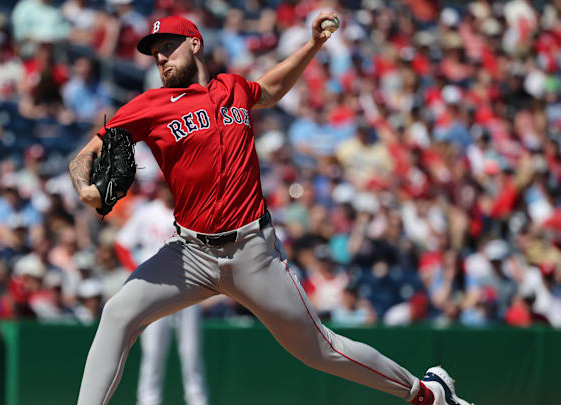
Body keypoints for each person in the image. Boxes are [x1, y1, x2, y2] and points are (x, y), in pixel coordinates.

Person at [69, 13, 473, 405]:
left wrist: (313, 44)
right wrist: (86, 188)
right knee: (118, 313)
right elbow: (85, 155)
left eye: (168, 46)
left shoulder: (233, 88)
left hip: (252, 252)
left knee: (320, 350)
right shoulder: (151, 104)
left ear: (195, 44)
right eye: (154, 51)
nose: (160, 57)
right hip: (189, 254)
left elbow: (272, 88)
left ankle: (428, 393)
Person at [114, 182, 209, 405]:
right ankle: (148, 401)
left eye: (171, 185)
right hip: (156, 291)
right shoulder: (147, 213)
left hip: (188, 288)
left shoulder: (191, 213)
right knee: (153, 353)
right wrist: (138, 272)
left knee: (192, 353)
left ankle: (198, 400)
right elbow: (121, 244)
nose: (168, 190)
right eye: (165, 185)